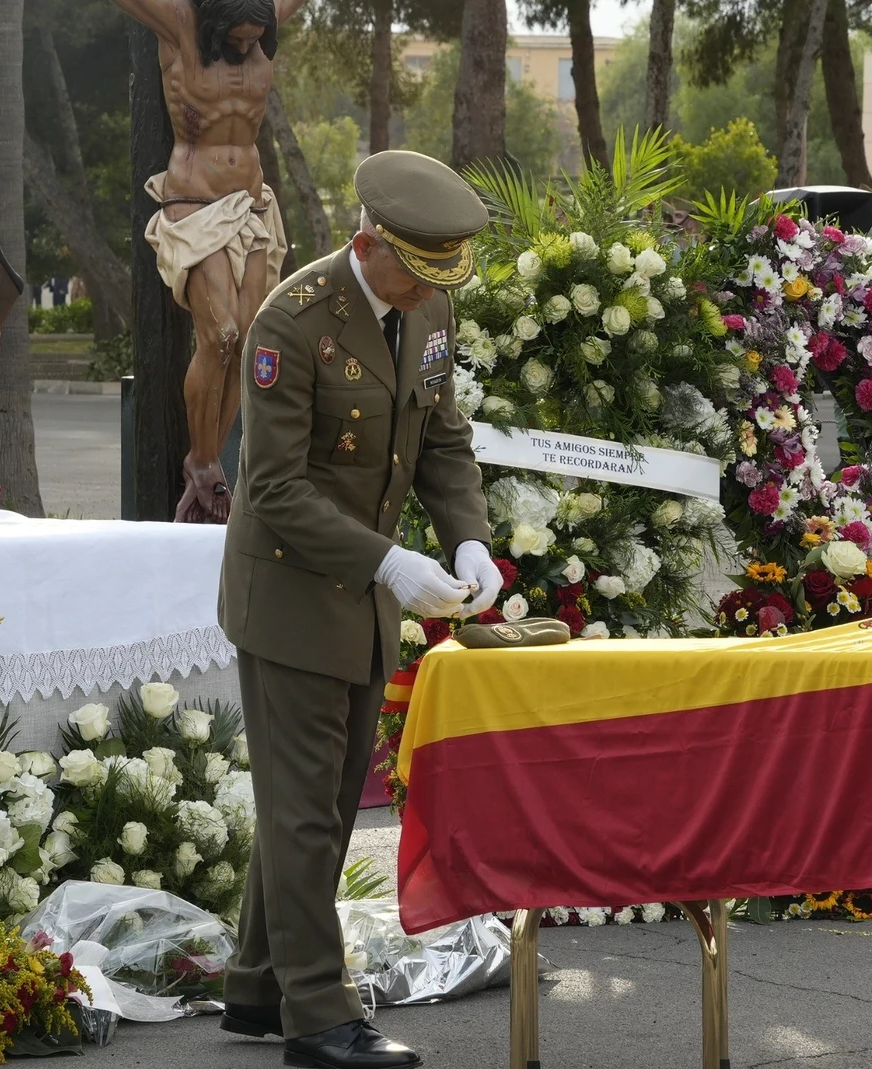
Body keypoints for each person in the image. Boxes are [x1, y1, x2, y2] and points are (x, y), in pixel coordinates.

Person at [217, 149, 501, 1069]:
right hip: (293, 596)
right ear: (367, 244)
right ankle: (319, 1015)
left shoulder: (430, 309)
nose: (428, 290)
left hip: (368, 595)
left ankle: (259, 984)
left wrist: (467, 537)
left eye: (440, 275)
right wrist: (391, 563)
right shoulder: (290, 322)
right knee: (306, 811)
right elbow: (272, 489)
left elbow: (442, 438)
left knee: (324, 805)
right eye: (416, 270)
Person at [113, 0, 304, 523]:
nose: (248, 48)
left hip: (254, 203)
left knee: (251, 344)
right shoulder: (180, 27)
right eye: (237, 41)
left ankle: (207, 464)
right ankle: (200, 462)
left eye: (255, 41)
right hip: (195, 203)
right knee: (219, 334)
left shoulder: (262, 20)